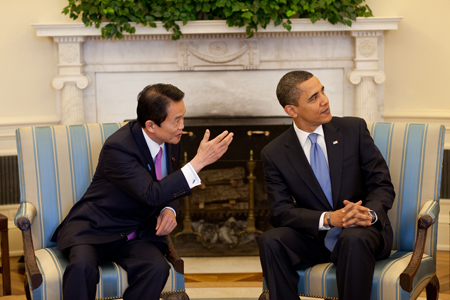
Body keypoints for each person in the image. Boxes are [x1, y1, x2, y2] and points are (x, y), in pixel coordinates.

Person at [51, 83, 234, 300]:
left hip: (135, 232)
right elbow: (151, 193)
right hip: (96, 228)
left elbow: (170, 185)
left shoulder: (171, 140)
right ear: (151, 125)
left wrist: (169, 209)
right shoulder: (118, 148)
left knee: (157, 268)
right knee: (82, 268)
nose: (182, 126)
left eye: (183, 117)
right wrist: (199, 162)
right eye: (176, 120)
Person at [258, 71, 395, 300]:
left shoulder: (354, 130)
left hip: (362, 232)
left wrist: (368, 214)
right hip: (315, 239)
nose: (324, 100)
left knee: (353, 239)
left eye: (323, 91)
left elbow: (381, 184)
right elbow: (280, 212)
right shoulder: (274, 153)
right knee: (271, 240)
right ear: (291, 110)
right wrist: (329, 219)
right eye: (313, 98)